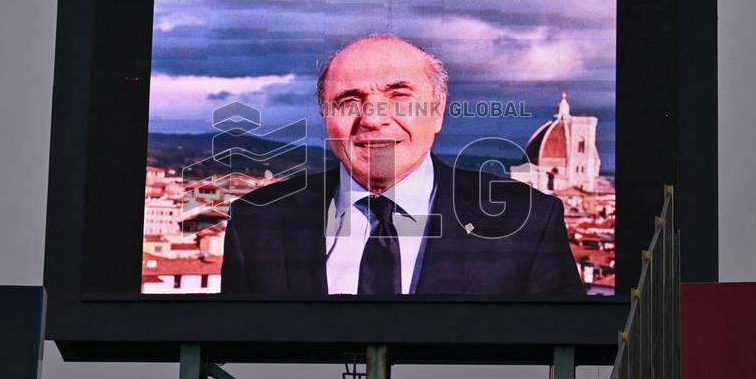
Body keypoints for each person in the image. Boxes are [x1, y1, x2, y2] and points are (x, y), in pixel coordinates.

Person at [220, 35, 583, 296]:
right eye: (349, 100)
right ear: (324, 116)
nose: (374, 119)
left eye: (399, 97)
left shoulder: (526, 222)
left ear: (438, 111)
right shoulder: (257, 222)